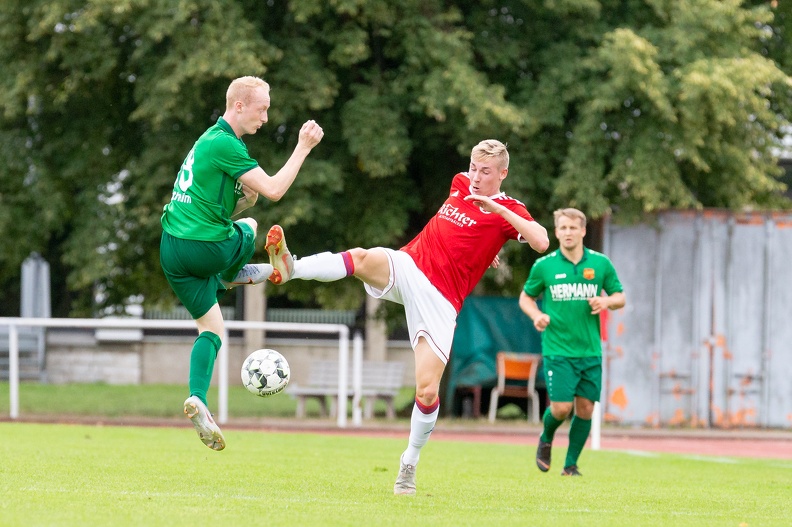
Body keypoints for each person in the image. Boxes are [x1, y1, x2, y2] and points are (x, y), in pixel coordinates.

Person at [262, 139, 549, 495]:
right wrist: (481, 244)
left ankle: (409, 463)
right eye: (473, 168)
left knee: (427, 391)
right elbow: (462, 233)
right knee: (362, 258)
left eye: (485, 172)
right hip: (410, 265)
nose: (475, 177)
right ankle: (292, 267)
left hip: (441, 300)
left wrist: (498, 213)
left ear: (502, 174)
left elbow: (541, 241)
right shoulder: (460, 183)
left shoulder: (509, 208)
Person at [159, 76, 324, 451]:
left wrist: (242, 204)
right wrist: (302, 146)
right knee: (248, 228)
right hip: (204, 248)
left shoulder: (206, 141)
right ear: (238, 106)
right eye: (262, 109)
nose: (265, 117)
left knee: (212, 329)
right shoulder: (225, 144)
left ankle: (197, 398)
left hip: (172, 250)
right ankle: (248, 272)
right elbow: (275, 190)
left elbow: (215, 206)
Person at [518, 208, 625, 476]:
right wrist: (537, 315)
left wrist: (606, 301)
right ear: (556, 232)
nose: (568, 232)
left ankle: (570, 465)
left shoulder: (600, 264)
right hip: (558, 348)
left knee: (586, 408)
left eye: (573, 228)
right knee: (562, 408)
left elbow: (620, 297)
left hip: (590, 349)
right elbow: (525, 298)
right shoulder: (545, 266)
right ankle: (546, 437)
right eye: (563, 228)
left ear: (583, 231)